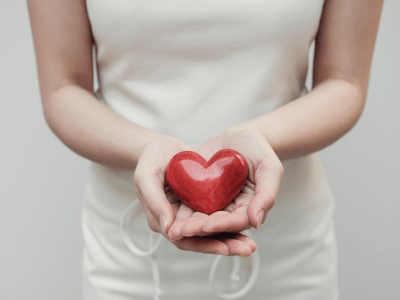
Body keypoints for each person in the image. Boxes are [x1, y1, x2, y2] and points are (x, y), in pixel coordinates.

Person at [27, 0, 383, 299]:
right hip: (129, 259)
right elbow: (63, 88)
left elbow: (345, 80)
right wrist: (146, 148)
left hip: (288, 252)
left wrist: (258, 137)